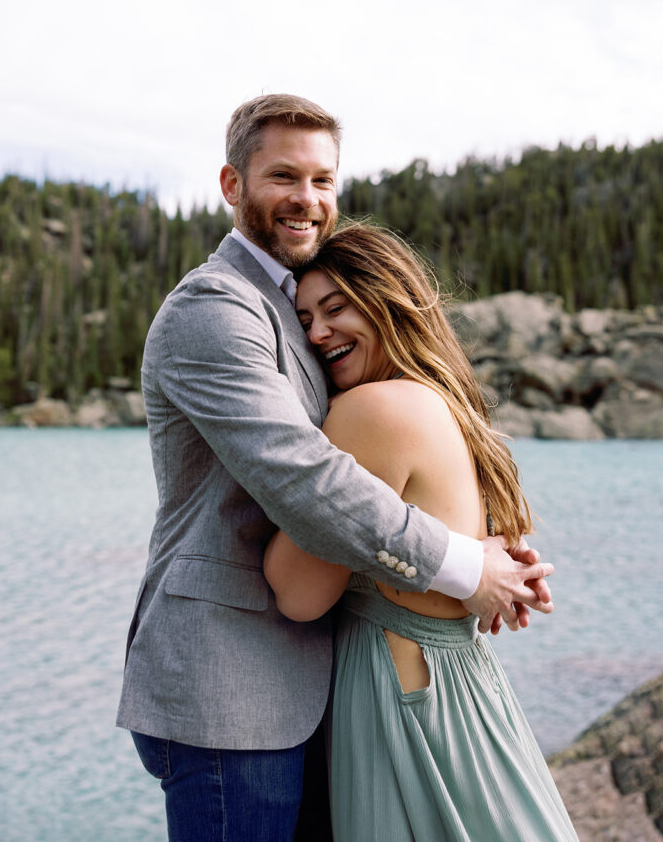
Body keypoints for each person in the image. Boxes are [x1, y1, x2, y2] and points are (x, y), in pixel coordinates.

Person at [116, 94, 554, 842]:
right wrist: (462, 566)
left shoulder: (297, 310)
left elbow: (371, 467)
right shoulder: (214, 310)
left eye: (323, 180)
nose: (307, 199)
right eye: (283, 175)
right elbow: (302, 477)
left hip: (316, 684)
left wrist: (484, 556)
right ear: (231, 185)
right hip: (230, 686)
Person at [263, 222, 577, 841]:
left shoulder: (372, 411)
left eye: (335, 308)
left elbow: (296, 593)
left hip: (406, 706)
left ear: (387, 301)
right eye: (303, 319)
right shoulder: (439, 401)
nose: (317, 332)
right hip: (460, 689)